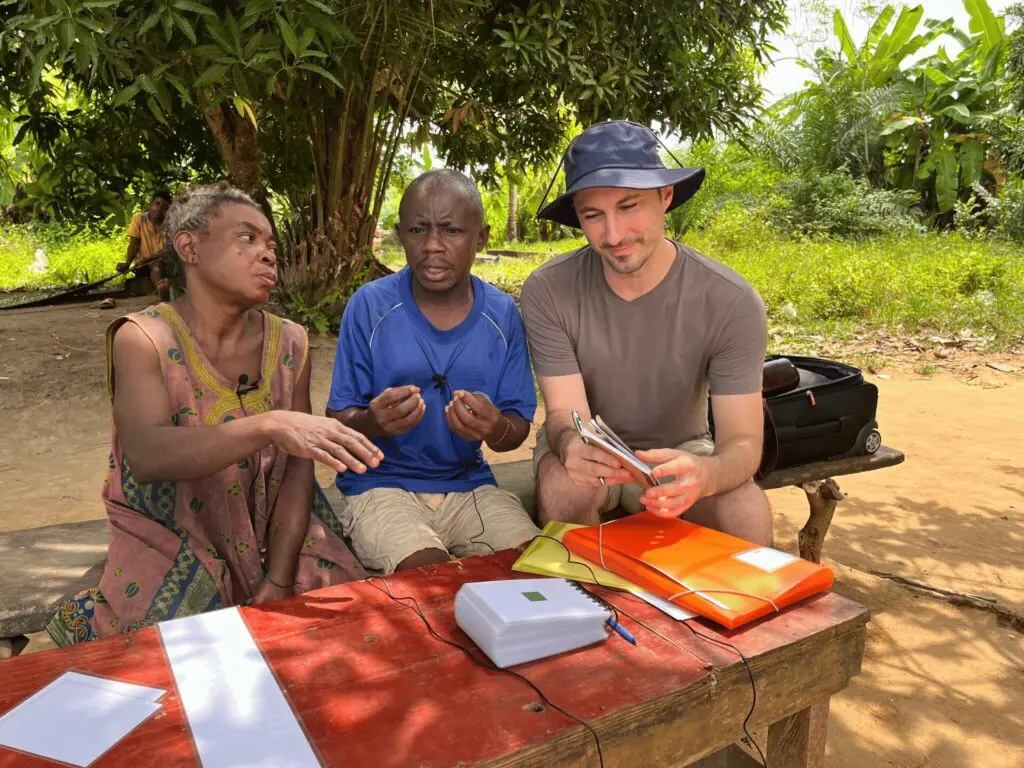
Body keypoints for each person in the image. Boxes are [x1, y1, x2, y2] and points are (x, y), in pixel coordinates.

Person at [47, 183, 382, 646]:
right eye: (247, 239)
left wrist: (281, 579)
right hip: (173, 534)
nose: (267, 255)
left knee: (353, 630)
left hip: (274, 526)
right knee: (164, 657)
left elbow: (297, 471)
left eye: (270, 245)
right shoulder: (144, 339)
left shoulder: (291, 342)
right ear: (189, 247)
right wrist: (269, 424)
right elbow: (147, 456)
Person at [519, 121, 772, 545]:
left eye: (629, 206)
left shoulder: (730, 300)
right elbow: (565, 415)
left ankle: (752, 609)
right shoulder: (548, 290)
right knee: (564, 485)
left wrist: (707, 474)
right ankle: (583, 604)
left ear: (665, 196)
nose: (614, 235)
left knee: (744, 508)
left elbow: (743, 442)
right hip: (591, 449)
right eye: (593, 215)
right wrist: (567, 447)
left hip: (681, 450)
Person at [326, 169, 539, 574]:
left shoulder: (501, 314)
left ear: (482, 238)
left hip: (469, 485)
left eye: (452, 231)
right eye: (418, 230)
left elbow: (515, 430)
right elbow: (338, 419)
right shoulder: (369, 306)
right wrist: (373, 421)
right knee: (431, 582)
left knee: (534, 569)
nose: (433, 246)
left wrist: (493, 428)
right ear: (399, 234)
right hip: (380, 486)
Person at [116, 191, 173, 301]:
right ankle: (162, 288)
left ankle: (161, 291)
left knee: (156, 265)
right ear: (150, 204)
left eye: (164, 207)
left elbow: (168, 250)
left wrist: (148, 259)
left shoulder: (170, 224)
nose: (159, 209)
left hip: (164, 263)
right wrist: (127, 264)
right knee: (154, 266)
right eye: (157, 204)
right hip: (143, 266)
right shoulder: (139, 219)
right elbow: (134, 244)